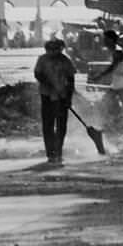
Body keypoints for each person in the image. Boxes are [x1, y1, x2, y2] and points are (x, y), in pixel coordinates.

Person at [33, 37, 76, 165]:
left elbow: (71, 78)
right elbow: (37, 74)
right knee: (48, 124)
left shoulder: (65, 61)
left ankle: (58, 151)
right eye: (50, 50)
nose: (53, 52)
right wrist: (48, 83)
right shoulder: (42, 59)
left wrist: (69, 97)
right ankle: (50, 153)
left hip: (62, 96)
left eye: (56, 50)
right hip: (46, 95)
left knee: (61, 125)